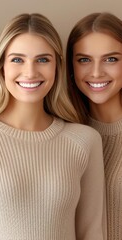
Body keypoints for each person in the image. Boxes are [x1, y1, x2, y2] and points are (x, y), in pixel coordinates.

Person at [0, 13, 106, 239]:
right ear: (1, 67)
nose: (30, 72)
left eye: (42, 59)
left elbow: (93, 233)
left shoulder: (85, 141)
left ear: (57, 67)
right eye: (17, 59)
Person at [66, 12, 122, 240]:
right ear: (70, 66)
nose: (97, 72)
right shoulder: (65, 137)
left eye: (111, 59)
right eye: (84, 60)